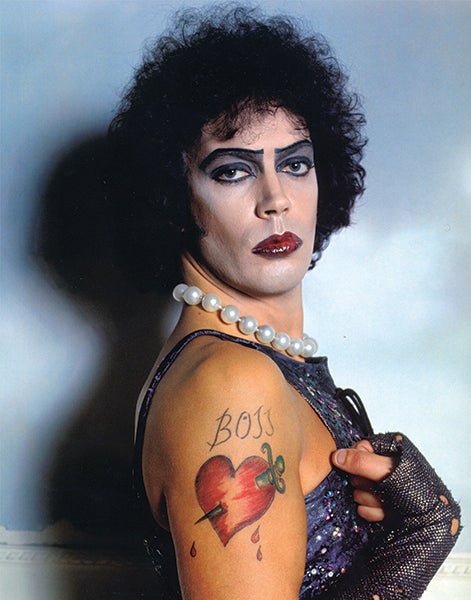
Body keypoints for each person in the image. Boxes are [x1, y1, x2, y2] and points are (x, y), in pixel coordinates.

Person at [108, 6, 461, 599]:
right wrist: (418, 538)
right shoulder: (230, 385)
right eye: (232, 172)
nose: (275, 198)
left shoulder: (262, 360)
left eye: (295, 164)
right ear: (174, 197)